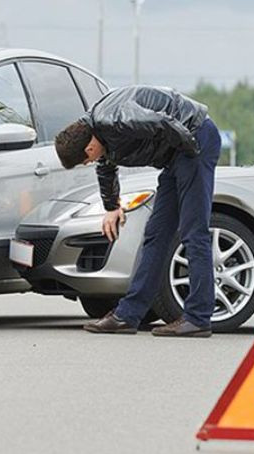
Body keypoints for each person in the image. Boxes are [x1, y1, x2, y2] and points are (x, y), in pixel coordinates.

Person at [55, 86, 221, 338]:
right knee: (156, 234)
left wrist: (191, 155)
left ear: (88, 149)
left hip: (194, 141)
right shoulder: (96, 130)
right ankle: (128, 315)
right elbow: (106, 166)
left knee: (193, 231)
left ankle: (198, 317)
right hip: (177, 155)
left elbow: (163, 122)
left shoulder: (118, 119)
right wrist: (111, 207)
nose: (89, 163)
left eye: (85, 161)